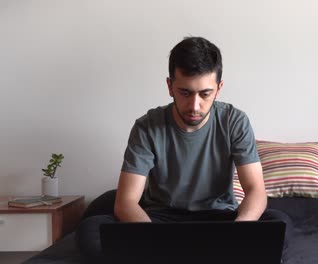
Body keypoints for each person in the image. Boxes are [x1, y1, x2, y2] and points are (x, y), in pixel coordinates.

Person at [75, 36, 291, 261]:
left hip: (220, 220)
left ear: (219, 89)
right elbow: (126, 201)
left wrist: (236, 233)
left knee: (280, 223)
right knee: (90, 229)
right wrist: (155, 239)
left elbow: (256, 190)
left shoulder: (234, 121)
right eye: (185, 93)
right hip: (161, 222)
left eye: (205, 94)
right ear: (170, 86)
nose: (194, 106)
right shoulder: (147, 126)